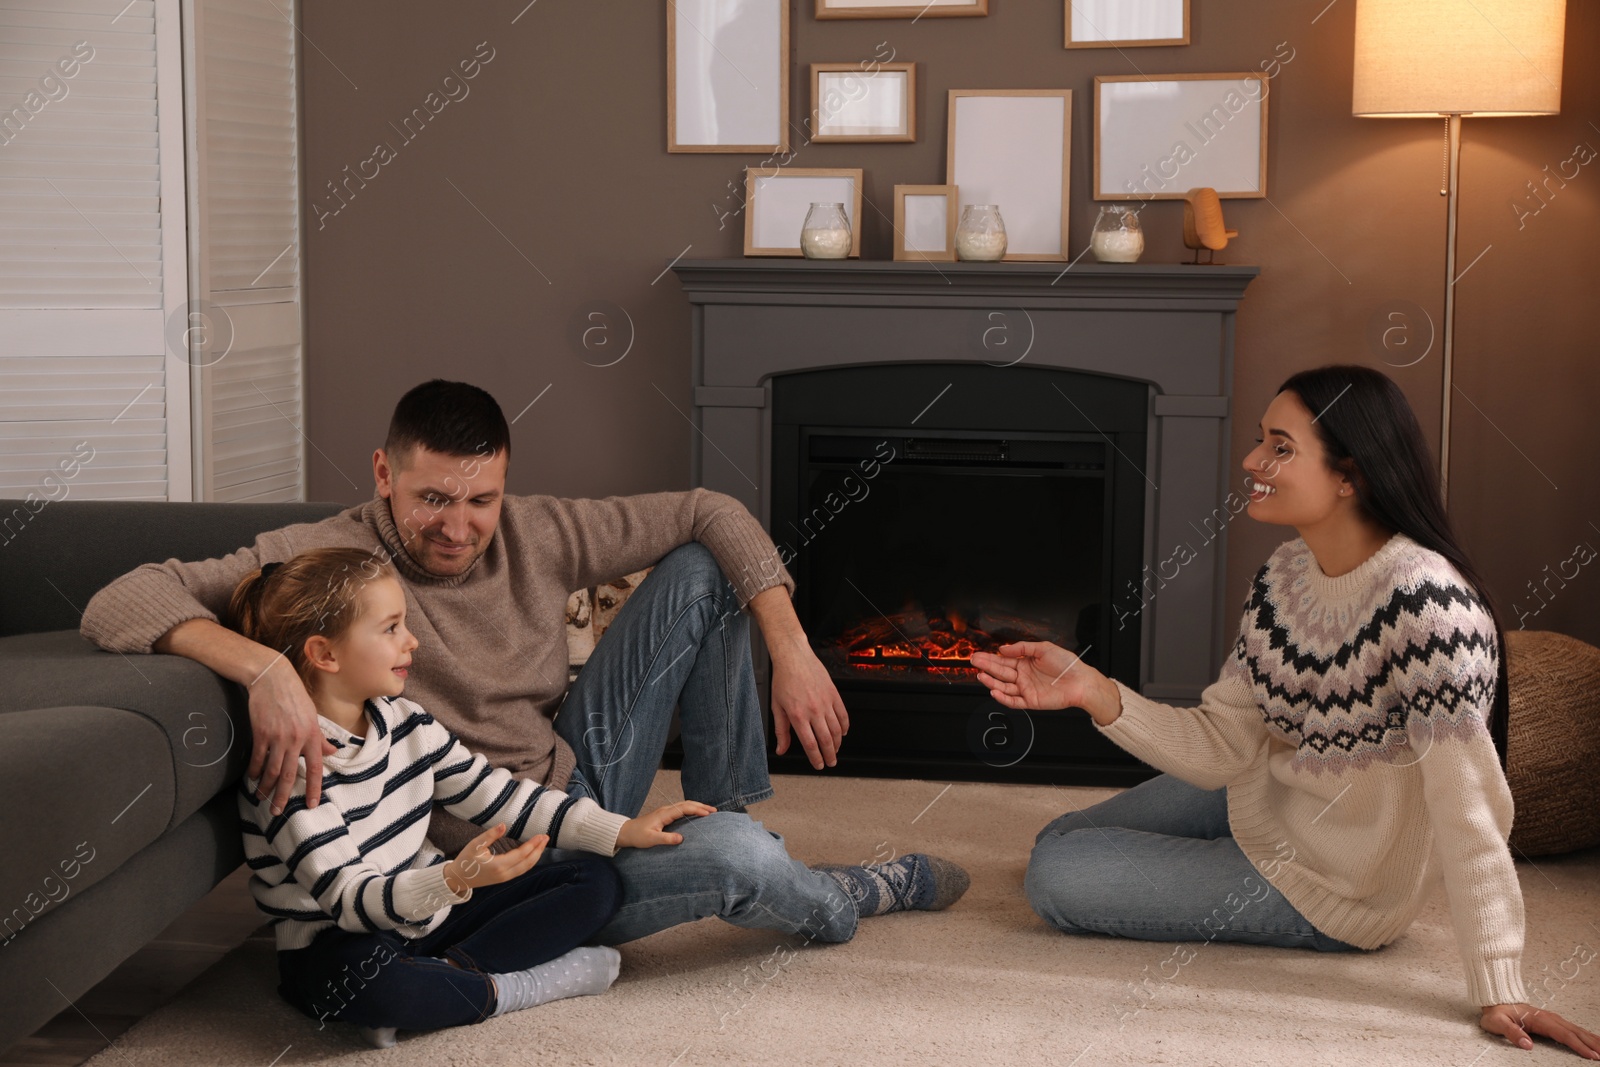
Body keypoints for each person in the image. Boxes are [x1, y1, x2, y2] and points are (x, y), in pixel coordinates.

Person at [82, 379, 967, 952]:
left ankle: (721, 816)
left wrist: (792, 645)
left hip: (572, 777)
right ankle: (830, 890)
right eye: (432, 498)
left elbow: (714, 508)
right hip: (495, 864)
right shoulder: (324, 552)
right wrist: (264, 671)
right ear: (384, 473)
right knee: (743, 863)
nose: (460, 527)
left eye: (480, 499)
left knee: (707, 568)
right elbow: (119, 599)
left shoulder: (534, 529)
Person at [972, 365, 1600, 1059]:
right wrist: (1093, 690)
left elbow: (1468, 806)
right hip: (1266, 788)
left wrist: (1500, 982)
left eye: (1279, 446)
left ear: (1349, 476)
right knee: (1059, 839)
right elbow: (1224, 743)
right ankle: (1204, 856)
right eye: (1259, 441)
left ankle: (1214, 867)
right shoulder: (1284, 576)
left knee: (1055, 875)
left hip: (1336, 882)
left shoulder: (1427, 609)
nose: (1252, 461)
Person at [230, 547, 714, 1047]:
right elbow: (351, 901)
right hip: (339, 940)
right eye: (391, 628)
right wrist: (454, 878)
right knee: (366, 983)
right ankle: (512, 988)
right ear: (325, 654)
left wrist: (619, 830)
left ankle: (445, 979)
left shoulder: (406, 723)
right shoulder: (289, 773)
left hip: (431, 915)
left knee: (594, 880)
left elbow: (498, 796)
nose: (411, 641)